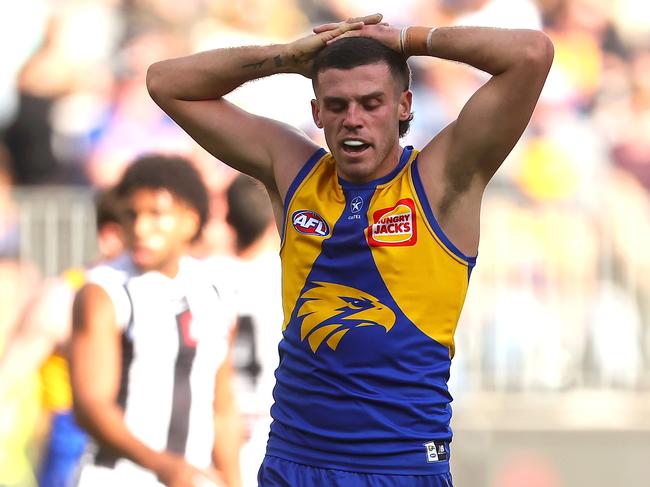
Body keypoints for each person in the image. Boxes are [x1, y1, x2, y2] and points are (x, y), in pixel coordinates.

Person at [146, 13, 554, 486]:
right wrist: (282, 58)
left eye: (371, 103)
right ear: (317, 112)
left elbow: (532, 54)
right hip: (292, 462)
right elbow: (163, 82)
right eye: (337, 105)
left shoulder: (442, 181)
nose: (352, 119)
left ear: (404, 105)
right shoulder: (294, 169)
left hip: (396, 467)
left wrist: (407, 40)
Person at [70, 155, 242, 487]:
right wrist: (163, 465)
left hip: (190, 478)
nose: (140, 228)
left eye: (156, 215)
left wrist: (234, 482)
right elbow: (90, 405)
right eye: (132, 214)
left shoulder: (216, 291)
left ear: (190, 221)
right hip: (117, 477)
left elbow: (222, 407)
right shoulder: (104, 290)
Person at [0, 188, 125, 487]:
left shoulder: (165, 295)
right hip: (72, 443)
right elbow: (9, 377)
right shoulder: (65, 296)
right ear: (110, 236)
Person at [208, 175, 282, 487]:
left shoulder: (205, 275)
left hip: (217, 429)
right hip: (277, 426)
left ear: (228, 218)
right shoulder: (291, 276)